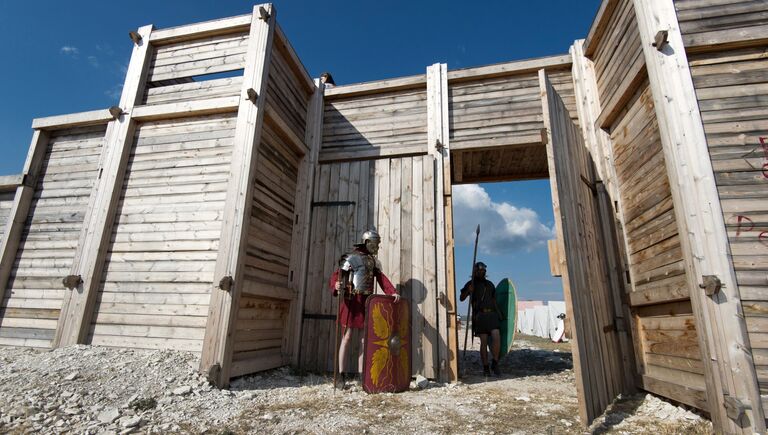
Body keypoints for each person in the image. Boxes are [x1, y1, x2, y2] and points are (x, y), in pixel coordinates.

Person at [329, 229, 400, 387]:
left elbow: (381, 279)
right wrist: (336, 284)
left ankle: (362, 376)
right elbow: (338, 274)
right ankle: (341, 375)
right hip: (351, 301)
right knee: (346, 338)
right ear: (367, 242)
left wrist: (392, 291)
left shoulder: (373, 261)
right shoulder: (351, 257)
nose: (377, 247)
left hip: (366, 302)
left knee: (363, 340)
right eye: (375, 244)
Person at [459, 262, 502, 377]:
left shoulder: (490, 284)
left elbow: (494, 301)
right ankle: (486, 367)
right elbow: (461, 298)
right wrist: (469, 290)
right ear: (475, 272)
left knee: (496, 337)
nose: (482, 273)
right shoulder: (470, 283)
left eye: (483, 271)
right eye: (479, 271)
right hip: (480, 316)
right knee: (483, 342)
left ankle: (495, 362)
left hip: (492, 315)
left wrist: (499, 314)